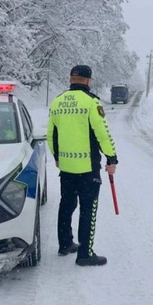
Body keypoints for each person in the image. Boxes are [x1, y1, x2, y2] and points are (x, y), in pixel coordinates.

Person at [46, 64, 118, 266]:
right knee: (88, 209)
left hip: (66, 168)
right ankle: (85, 254)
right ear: (88, 81)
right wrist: (112, 158)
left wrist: (58, 157)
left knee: (66, 204)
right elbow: (102, 134)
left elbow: (51, 135)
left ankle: (65, 243)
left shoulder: (57, 102)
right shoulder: (91, 102)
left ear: (71, 79)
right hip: (88, 169)